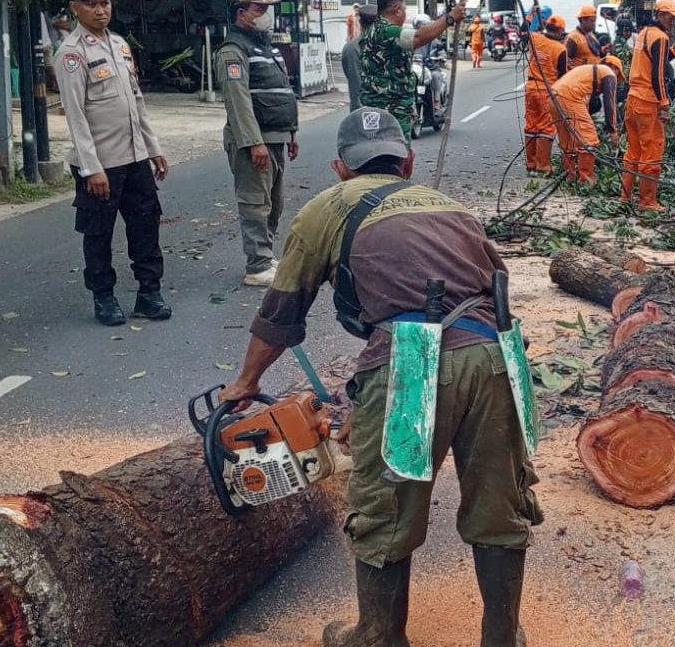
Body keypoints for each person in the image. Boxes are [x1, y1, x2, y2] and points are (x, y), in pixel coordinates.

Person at [220, 108, 543, 647]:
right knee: (500, 505)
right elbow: (497, 286)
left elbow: (281, 312)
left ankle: (377, 635)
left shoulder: (327, 208)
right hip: (494, 357)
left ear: (341, 168)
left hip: (412, 363)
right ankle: (502, 637)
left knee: (384, 507)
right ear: (407, 162)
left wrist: (247, 381)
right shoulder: (449, 206)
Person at [54, 0, 170, 326]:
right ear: (75, 8)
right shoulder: (71, 54)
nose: (100, 10)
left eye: (104, 2)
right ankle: (103, 297)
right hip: (101, 164)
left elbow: (137, 102)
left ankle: (148, 294)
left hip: (135, 158)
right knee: (98, 234)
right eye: (91, 4)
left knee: (146, 227)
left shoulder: (119, 45)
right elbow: (75, 116)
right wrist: (92, 168)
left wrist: (153, 148)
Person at [216, 0, 300, 287]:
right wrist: (254, 142)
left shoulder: (266, 46)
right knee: (255, 203)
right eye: (259, 8)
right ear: (241, 13)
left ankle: (265, 254)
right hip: (255, 141)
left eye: (267, 8)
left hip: (276, 138)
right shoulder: (232, 51)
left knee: (274, 203)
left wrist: (291, 133)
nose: (266, 14)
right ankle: (257, 264)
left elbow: (282, 91)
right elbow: (238, 101)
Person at [360, 0, 465, 141]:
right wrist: (450, 18)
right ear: (397, 10)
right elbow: (418, 37)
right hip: (390, 108)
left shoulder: (374, 29)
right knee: (395, 149)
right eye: (404, 9)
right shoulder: (386, 30)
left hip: (378, 107)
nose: (405, 13)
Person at [620, 0, 675, 211]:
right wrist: (664, 105)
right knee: (652, 153)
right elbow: (658, 76)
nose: (674, 22)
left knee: (633, 152)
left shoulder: (645, 33)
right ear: (661, 15)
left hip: (633, 100)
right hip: (648, 102)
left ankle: (625, 197)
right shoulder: (661, 37)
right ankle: (647, 202)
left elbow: (657, 61)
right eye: (671, 17)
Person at [548, 62, 618, 185]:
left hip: (553, 96)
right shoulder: (609, 74)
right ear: (615, 69)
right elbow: (609, 104)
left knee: (568, 141)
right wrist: (613, 131)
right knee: (588, 139)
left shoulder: (589, 74)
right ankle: (586, 180)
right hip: (569, 96)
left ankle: (570, 176)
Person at [523, 13, 568, 173]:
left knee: (531, 125)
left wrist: (530, 14)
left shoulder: (535, 38)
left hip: (530, 88)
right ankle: (543, 165)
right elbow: (562, 76)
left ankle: (531, 163)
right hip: (546, 90)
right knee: (546, 128)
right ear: (560, 31)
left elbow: (523, 31)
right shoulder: (561, 49)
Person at [342, 4, 378, 112]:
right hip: (388, 111)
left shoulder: (351, 48)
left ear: (360, 23)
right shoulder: (392, 45)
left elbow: (352, 77)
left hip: (360, 111)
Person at [566, 5, 600, 71]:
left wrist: (604, 50)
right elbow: (566, 61)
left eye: (595, 21)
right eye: (592, 21)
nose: (594, 24)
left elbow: (595, 54)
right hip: (581, 75)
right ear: (583, 20)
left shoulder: (591, 35)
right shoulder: (573, 37)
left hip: (593, 74)